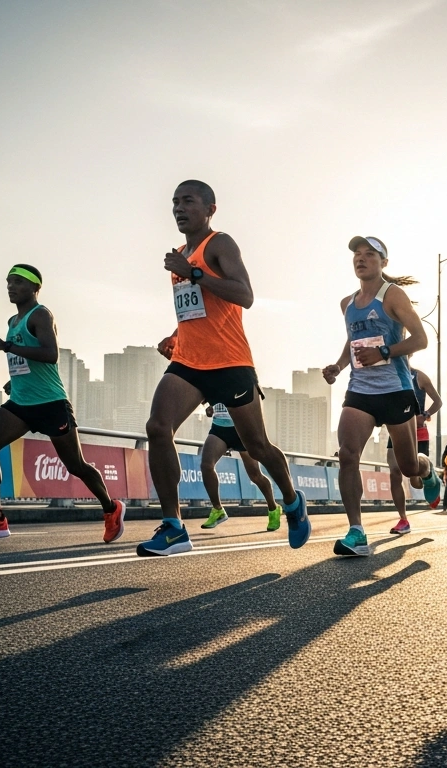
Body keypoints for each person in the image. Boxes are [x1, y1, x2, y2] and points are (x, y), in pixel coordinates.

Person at [139, 180, 307, 557]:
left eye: (188, 201)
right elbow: (198, 310)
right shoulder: (181, 253)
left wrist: (194, 271)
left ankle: (293, 503)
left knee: (257, 446)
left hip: (230, 363)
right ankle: (173, 527)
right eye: (174, 202)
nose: (179, 208)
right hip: (190, 361)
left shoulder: (220, 244)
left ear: (210, 208)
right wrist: (174, 336)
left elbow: (244, 295)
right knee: (157, 427)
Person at [0, 265, 125, 542]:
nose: (10, 287)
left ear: (35, 287)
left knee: (76, 465)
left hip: (51, 404)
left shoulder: (41, 314)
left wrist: (5, 347)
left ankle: (111, 508)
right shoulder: (13, 321)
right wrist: (16, 381)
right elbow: (26, 362)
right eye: (8, 282)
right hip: (21, 404)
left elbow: (50, 355)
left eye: (18, 282)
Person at [321, 236, 437, 557]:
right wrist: (339, 366)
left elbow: (421, 339)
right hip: (360, 391)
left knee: (409, 467)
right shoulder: (347, 303)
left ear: (383, 262)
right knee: (347, 455)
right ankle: (356, 531)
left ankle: (428, 471)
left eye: (369, 254)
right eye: (357, 255)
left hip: (395, 389)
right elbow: (353, 341)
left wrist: (385, 350)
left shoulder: (392, 295)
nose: (361, 259)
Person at [198, 399, 281, 531]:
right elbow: (204, 397)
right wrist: (210, 406)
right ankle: (218, 509)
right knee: (206, 465)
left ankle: (273, 508)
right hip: (219, 429)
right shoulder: (209, 378)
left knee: (255, 475)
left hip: (242, 429)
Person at [385, 366, 443, 534]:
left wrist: (424, 414)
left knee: (414, 481)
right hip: (395, 428)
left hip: (418, 432)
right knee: (395, 472)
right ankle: (403, 519)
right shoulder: (387, 374)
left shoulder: (418, 376)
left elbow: (438, 401)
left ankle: (428, 472)